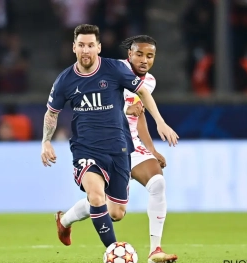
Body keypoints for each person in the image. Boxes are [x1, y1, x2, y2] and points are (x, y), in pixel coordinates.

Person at [41, 24, 179, 250]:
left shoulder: (114, 69)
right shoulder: (64, 80)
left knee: (115, 212)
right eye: (82, 45)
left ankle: (65, 220)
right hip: (86, 149)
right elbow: (51, 113)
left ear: (99, 47)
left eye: (91, 45)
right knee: (96, 197)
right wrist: (45, 141)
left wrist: (160, 123)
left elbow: (141, 92)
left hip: (119, 149)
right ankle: (114, 251)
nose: (86, 50)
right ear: (74, 47)